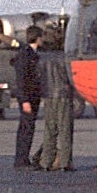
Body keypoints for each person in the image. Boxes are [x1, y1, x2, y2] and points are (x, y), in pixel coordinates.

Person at [37, 31, 77, 172]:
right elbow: (70, 78)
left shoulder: (42, 58)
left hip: (48, 95)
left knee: (49, 129)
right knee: (64, 129)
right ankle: (65, 162)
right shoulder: (65, 58)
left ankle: (46, 161)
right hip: (64, 94)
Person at [10, 25, 43, 169]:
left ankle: (23, 159)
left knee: (28, 128)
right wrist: (24, 101)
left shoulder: (30, 53)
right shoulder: (26, 55)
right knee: (26, 129)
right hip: (28, 98)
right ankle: (21, 161)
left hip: (32, 97)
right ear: (38, 38)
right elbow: (22, 80)